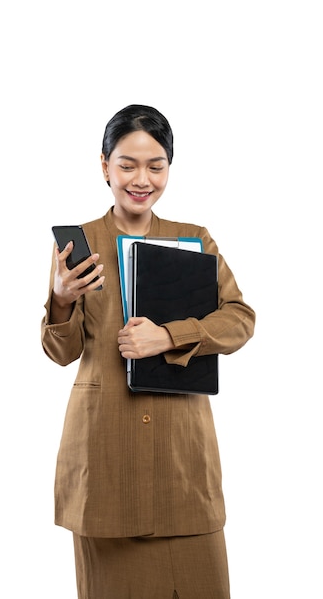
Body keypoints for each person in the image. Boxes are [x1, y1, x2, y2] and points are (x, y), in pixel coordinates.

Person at [41, 104, 255, 599]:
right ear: (104, 167)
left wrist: (170, 335)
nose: (142, 179)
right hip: (105, 460)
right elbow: (61, 352)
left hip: (183, 463)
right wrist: (60, 299)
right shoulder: (80, 245)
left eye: (156, 166)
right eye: (127, 165)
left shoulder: (194, 241)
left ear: (168, 168)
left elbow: (239, 319)